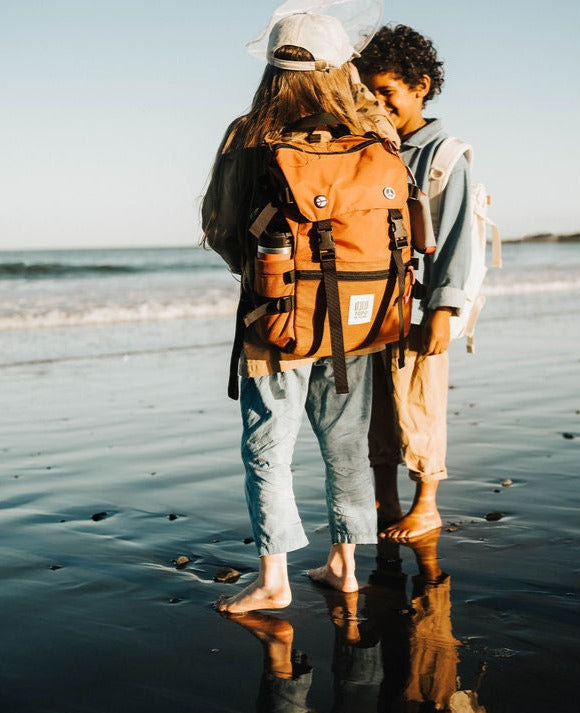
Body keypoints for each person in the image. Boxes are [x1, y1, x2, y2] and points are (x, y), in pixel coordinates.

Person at [202, 11, 396, 615]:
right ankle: (346, 565)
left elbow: (218, 224)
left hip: (274, 316)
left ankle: (274, 579)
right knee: (346, 442)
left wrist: (257, 269)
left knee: (269, 448)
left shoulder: (250, 133)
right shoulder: (375, 129)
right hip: (360, 316)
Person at [354, 25, 473, 540]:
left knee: (420, 400)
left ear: (420, 86)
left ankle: (427, 502)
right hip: (374, 304)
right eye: (368, 94)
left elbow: (456, 237)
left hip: (424, 306)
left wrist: (445, 310)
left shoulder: (444, 154)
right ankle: (386, 497)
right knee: (376, 404)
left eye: (387, 92)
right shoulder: (370, 147)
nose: (378, 104)